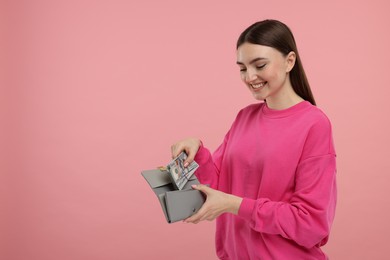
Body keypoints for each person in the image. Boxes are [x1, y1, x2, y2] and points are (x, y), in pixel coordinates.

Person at [171, 19, 337, 260]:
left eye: (259, 65)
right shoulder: (245, 117)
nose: (250, 77)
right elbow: (217, 184)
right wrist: (198, 152)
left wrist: (236, 205)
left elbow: (311, 223)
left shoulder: (314, 124)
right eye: (242, 68)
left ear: (290, 61)